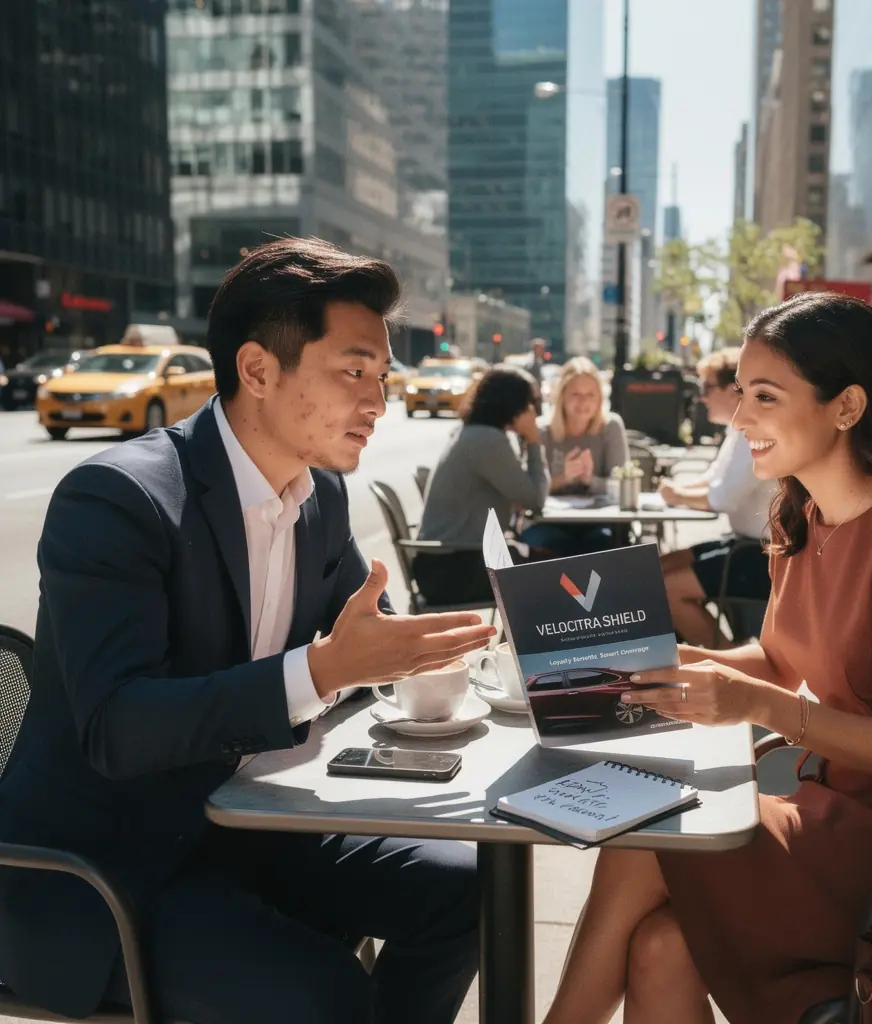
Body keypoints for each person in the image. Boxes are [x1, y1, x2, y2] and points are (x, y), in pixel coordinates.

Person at [0, 239, 497, 1024]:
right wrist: (323, 672)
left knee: (479, 891)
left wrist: (481, 655)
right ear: (259, 370)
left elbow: (367, 635)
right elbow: (117, 729)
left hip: (255, 826)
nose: (378, 402)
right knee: (324, 993)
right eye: (354, 372)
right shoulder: (119, 500)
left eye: (383, 378)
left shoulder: (320, 498)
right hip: (108, 873)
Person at [541, 292, 872, 1024]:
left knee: (649, 833)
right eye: (741, 394)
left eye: (765, 397)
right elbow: (775, 659)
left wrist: (766, 708)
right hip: (840, 823)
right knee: (661, 946)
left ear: (847, 406)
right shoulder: (802, 516)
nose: (740, 419)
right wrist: (648, 657)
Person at [657, 348, 776, 648]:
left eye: (707, 387)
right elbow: (712, 479)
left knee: (668, 588)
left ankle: (730, 666)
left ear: (732, 389)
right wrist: (675, 493)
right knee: (657, 568)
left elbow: (723, 498)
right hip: (743, 542)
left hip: (763, 554)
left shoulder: (755, 432)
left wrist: (677, 495)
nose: (701, 396)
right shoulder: (738, 432)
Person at [415, 364, 549, 605]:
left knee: (549, 559)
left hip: (445, 563)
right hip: (454, 569)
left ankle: (517, 641)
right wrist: (533, 440)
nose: (534, 412)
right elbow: (535, 498)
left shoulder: (473, 432)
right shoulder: (487, 441)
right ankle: (526, 643)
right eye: (531, 403)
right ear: (515, 404)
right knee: (558, 570)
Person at [519, 356, 627, 557]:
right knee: (556, 546)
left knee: (602, 543)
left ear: (600, 398)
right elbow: (528, 492)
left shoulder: (611, 427)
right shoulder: (542, 430)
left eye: (591, 395)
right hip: (549, 523)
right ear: (562, 396)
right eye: (576, 394)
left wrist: (590, 480)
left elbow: (622, 485)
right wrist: (563, 478)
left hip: (596, 521)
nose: (583, 402)